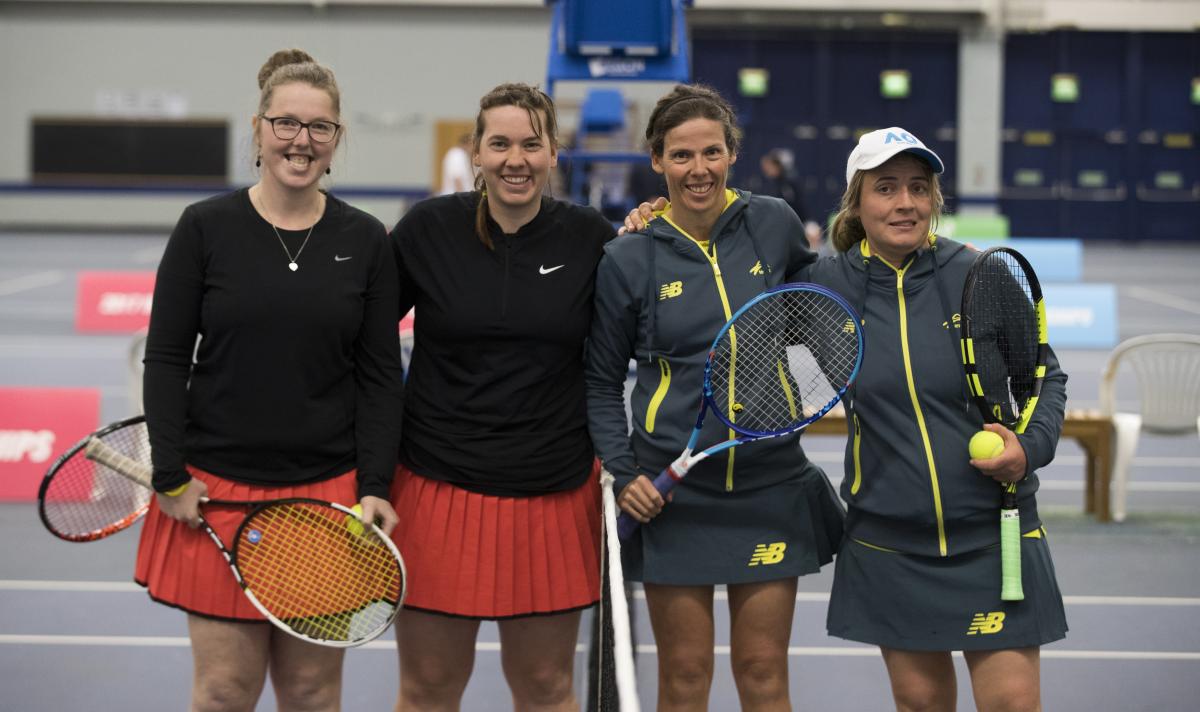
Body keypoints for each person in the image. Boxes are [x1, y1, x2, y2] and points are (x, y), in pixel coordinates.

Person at [136, 49, 404, 712]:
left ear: (337, 140)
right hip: (218, 494)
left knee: (313, 693)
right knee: (224, 691)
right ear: (257, 130)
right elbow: (167, 356)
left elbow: (378, 376)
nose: (301, 141)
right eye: (286, 123)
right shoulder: (205, 229)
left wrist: (375, 485)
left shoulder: (366, 240)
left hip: (324, 498)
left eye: (319, 127)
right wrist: (170, 472)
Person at [586, 83, 843, 712]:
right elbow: (598, 383)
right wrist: (625, 474)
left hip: (770, 483)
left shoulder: (773, 223)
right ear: (656, 161)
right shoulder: (628, 256)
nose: (697, 169)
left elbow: (817, 314)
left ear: (732, 154)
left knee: (761, 671)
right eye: (681, 155)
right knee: (685, 675)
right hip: (675, 496)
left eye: (711, 153)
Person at [810, 128, 1068, 712]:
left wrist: (1028, 448)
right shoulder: (826, 289)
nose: (905, 203)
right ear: (857, 200)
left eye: (918, 188)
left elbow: (1046, 378)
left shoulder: (978, 275)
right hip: (889, 543)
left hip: (992, 534)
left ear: (935, 199)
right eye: (886, 188)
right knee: (921, 706)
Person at [387, 82, 616, 711]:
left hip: (552, 494)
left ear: (552, 154)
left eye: (532, 144)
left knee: (546, 688)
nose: (517, 159)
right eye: (501, 144)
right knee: (429, 687)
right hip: (436, 491)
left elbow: (633, 347)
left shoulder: (593, 238)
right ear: (477, 154)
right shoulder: (429, 229)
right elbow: (360, 339)